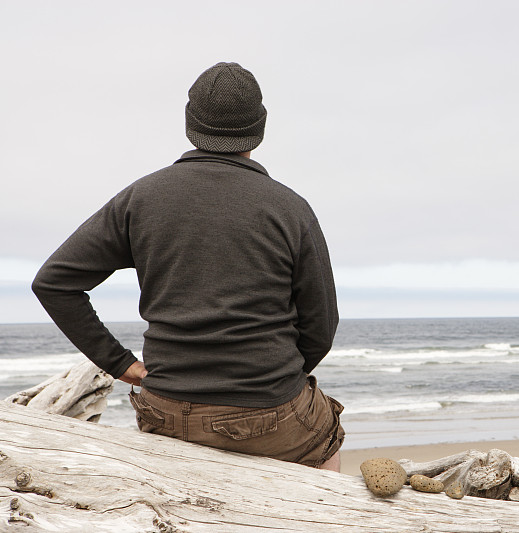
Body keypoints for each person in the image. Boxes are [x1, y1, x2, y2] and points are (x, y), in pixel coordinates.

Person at [31, 62, 344, 471]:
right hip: (269, 415)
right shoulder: (290, 208)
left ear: (190, 123)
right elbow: (322, 326)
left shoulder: (141, 198)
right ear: (260, 128)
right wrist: (270, 380)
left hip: (166, 411)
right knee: (329, 438)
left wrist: (119, 364)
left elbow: (54, 282)